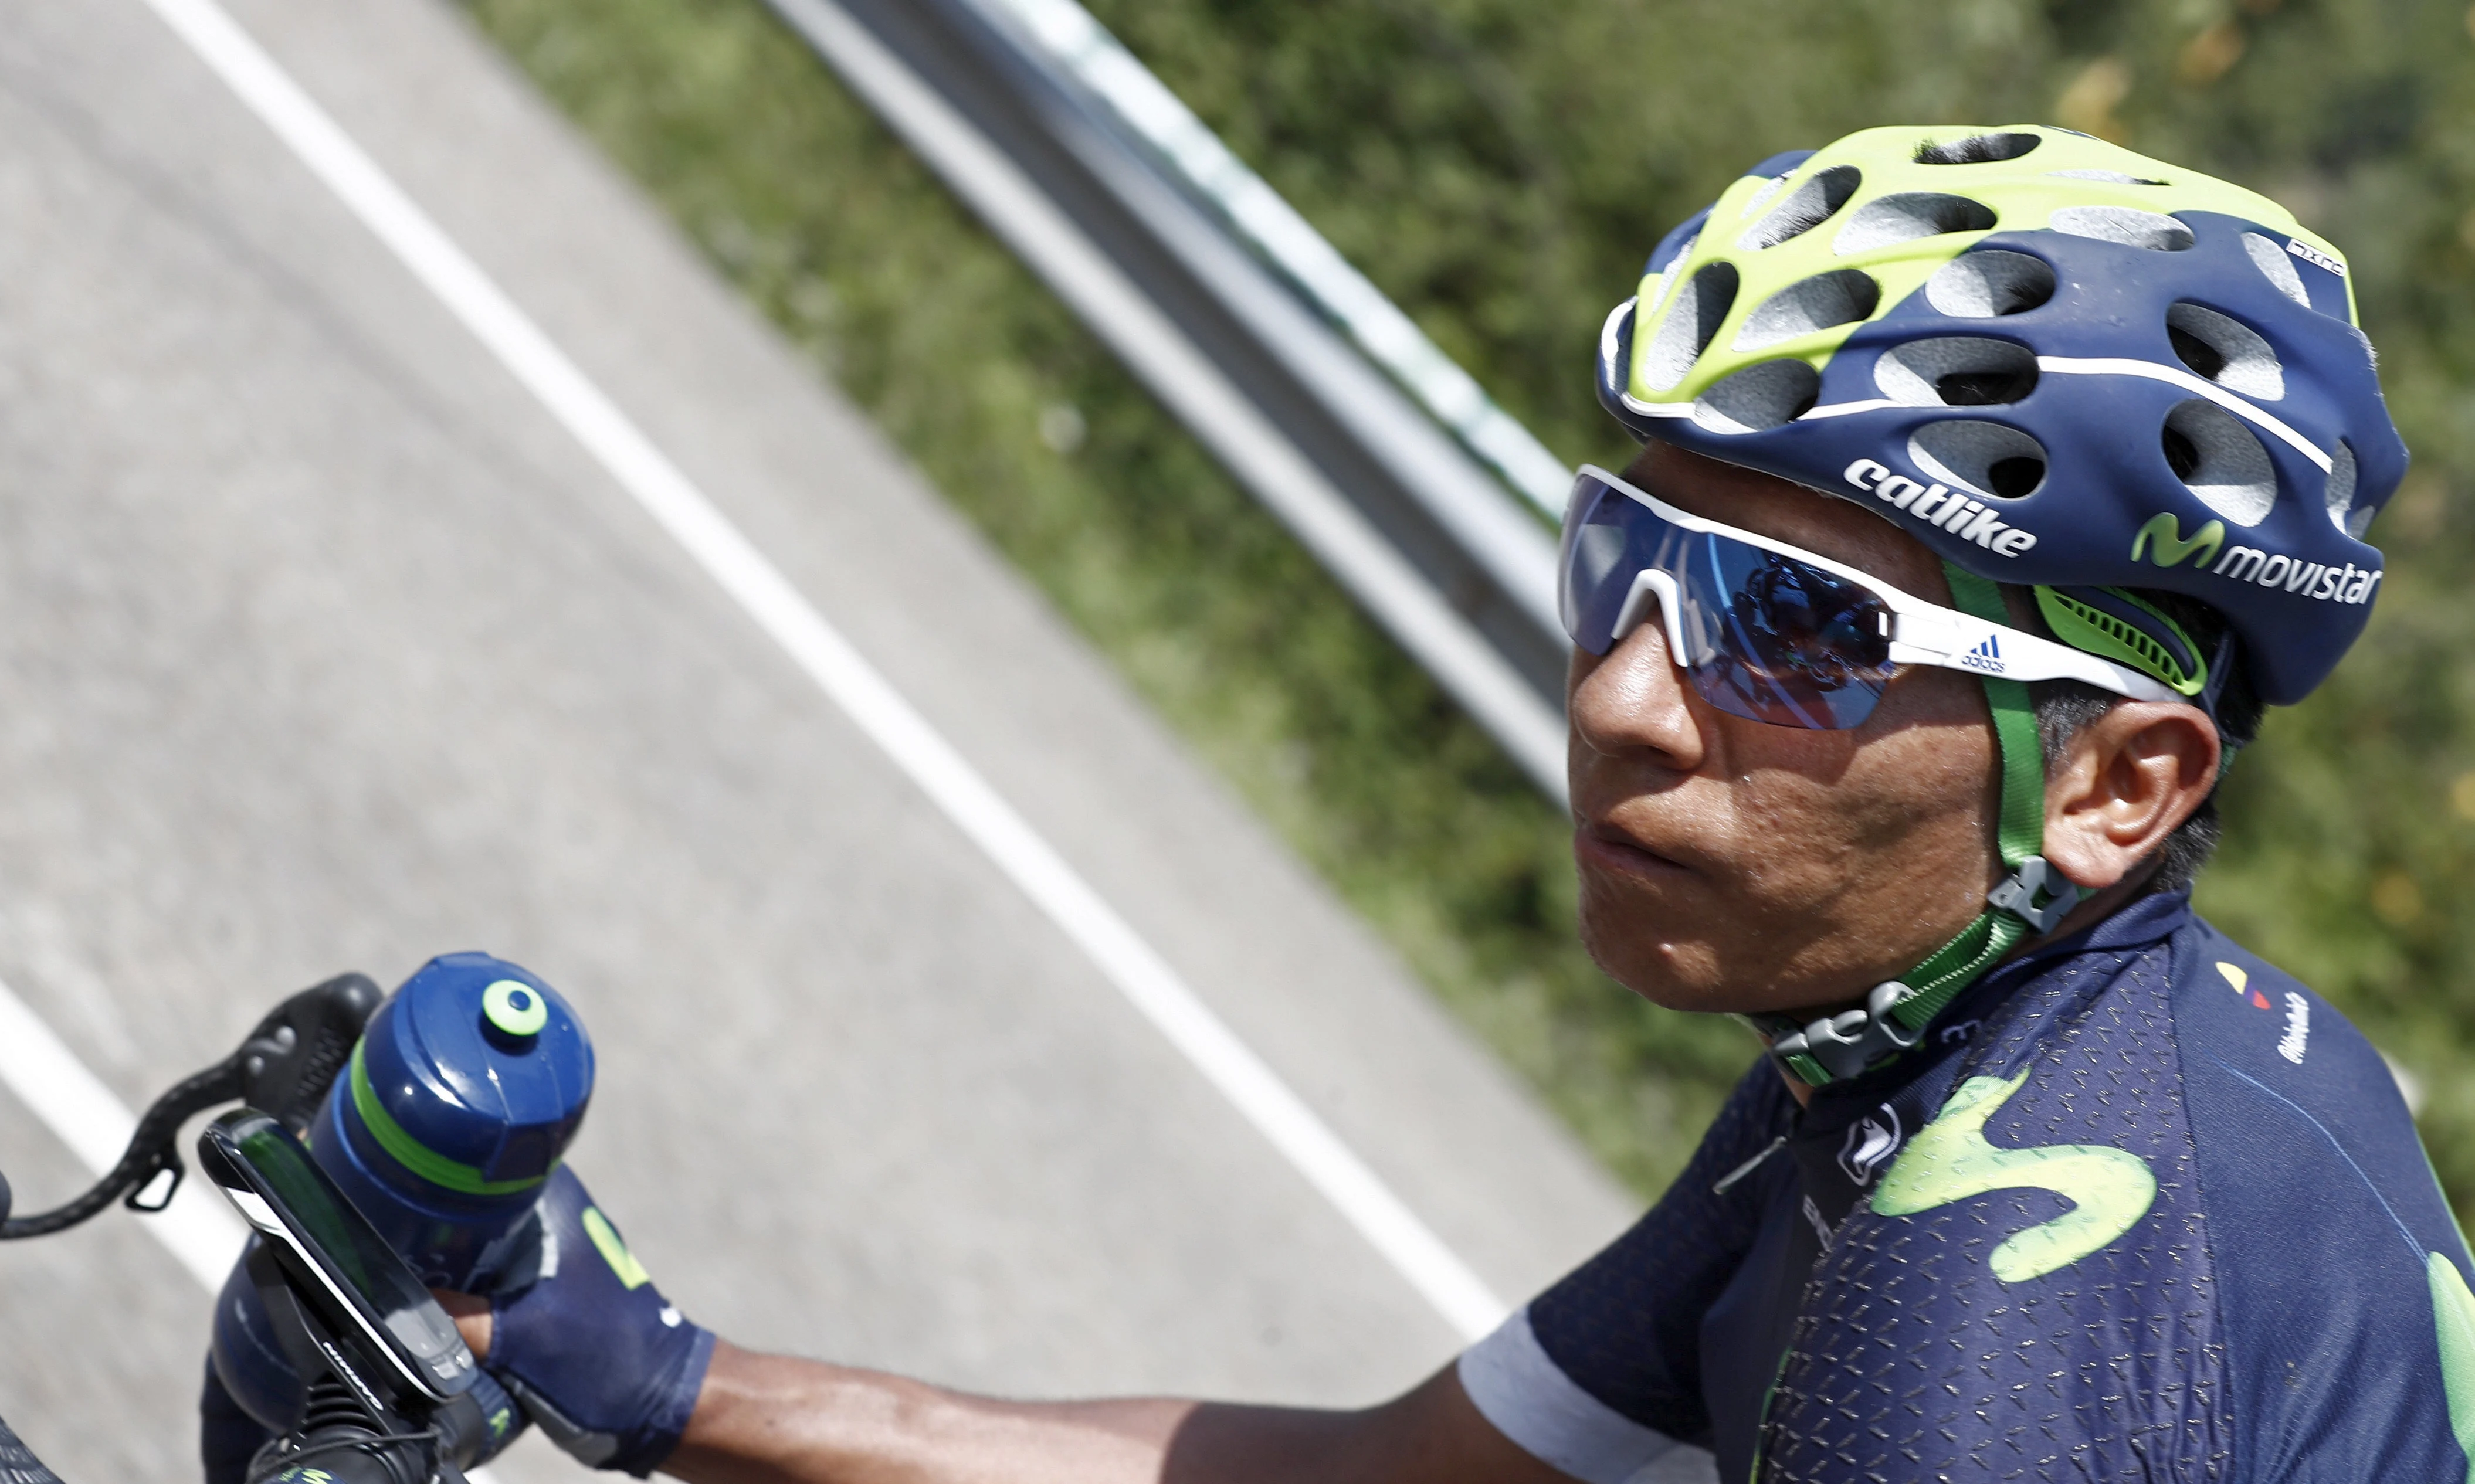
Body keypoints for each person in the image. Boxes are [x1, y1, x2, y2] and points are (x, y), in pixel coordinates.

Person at [439, 125, 2469, 1482]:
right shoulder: (1960, 1075)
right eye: (1628, 568)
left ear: (2116, 785)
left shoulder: (2003, 1330)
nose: (1619, 699)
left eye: (1786, 628)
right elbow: (1393, 1480)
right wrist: (658, 1380)